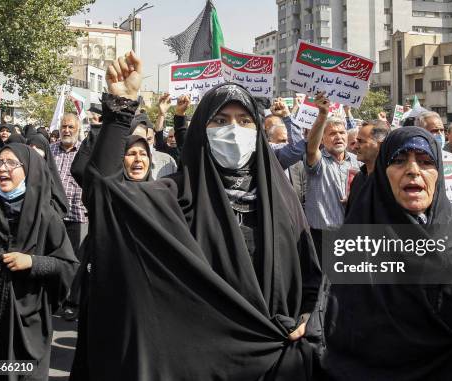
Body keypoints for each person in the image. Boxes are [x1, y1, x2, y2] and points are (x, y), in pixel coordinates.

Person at [70, 52, 321, 380]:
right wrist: (120, 109)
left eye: (244, 121)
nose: (233, 130)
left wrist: (309, 317)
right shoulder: (174, 196)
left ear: (258, 132)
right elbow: (105, 196)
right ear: (201, 131)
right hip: (198, 365)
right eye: (220, 120)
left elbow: (312, 281)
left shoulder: (283, 200)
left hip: (275, 363)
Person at [323, 127, 452, 380]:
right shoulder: (361, 230)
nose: (413, 170)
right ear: (383, 171)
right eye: (399, 161)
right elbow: (337, 310)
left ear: (439, 174)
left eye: (425, 162)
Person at [0, 143, 77, 380]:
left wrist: (33, 263)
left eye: (11, 163)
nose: (2, 168)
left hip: (26, 328)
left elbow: (68, 267)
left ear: (29, 170)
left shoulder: (46, 216)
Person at [304, 92, 360, 262]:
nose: (339, 137)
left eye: (342, 133)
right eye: (332, 133)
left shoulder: (358, 163)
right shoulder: (318, 160)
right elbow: (311, 148)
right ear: (322, 139)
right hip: (322, 237)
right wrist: (322, 115)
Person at [50, 113, 88, 320]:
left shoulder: (85, 150)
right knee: (55, 258)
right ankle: (55, 299)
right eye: (64, 126)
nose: (66, 130)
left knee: (76, 261)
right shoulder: (50, 150)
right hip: (54, 215)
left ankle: (72, 302)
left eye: (71, 127)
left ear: (78, 128)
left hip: (78, 214)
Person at [347, 121, 389, 212]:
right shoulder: (358, 178)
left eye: (361, 141)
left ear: (380, 145)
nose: (355, 147)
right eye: (356, 141)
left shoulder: (391, 182)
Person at [130, 112, 177, 179]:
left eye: (149, 139)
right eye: (140, 140)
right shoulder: (121, 163)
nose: (145, 144)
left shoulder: (167, 162)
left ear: (154, 139)